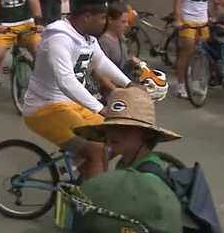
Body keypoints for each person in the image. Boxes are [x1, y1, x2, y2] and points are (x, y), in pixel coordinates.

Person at [22, 0, 167, 179]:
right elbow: (66, 81)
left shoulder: (87, 37)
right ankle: (93, 202)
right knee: (97, 151)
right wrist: (100, 109)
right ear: (86, 17)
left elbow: (100, 61)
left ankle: (81, 169)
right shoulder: (59, 39)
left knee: (119, 136)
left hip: (72, 105)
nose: (105, 22)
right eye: (102, 18)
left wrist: (129, 84)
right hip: (44, 109)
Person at [72, 87, 182, 233]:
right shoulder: (125, 164)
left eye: (125, 127)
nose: (113, 133)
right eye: (111, 127)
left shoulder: (150, 177)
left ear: (146, 134)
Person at [98, 1, 142, 75]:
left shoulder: (121, 37)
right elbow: (103, 71)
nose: (127, 25)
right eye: (123, 22)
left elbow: (127, 57)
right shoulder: (104, 42)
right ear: (110, 20)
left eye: (127, 22)